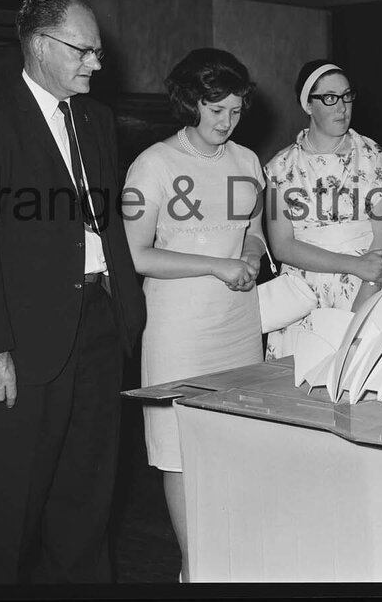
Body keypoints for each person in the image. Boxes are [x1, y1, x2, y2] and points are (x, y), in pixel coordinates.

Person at [0, 0, 146, 583]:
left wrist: (124, 315)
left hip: (98, 329)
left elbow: (104, 223)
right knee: (10, 514)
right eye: (83, 51)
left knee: (86, 504)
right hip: (20, 348)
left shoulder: (97, 119)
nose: (97, 64)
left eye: (98, 52)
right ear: (38, 45)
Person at [121, 48, 266, 581]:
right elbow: (137, 255)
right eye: (215, 110)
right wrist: (216, 266)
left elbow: (253, 231)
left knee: (233, 444)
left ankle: (232, 556)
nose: (226, 123)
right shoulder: (154, 164)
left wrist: (249, 255)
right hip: (179, 330)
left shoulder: (247, 161)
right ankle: (195, 567)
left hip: (238, 327)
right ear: (189, 103)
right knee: (178, 451)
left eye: (235, 111)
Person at [263, 59, 382, 360]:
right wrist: (352, 265)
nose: (342, 107)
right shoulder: (281, 168)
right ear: (308, 105)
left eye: (347, 96)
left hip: (367, 289)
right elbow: (283, 246)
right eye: (329, 98)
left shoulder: (374, 157)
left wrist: (360, 309)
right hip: (303, 298)